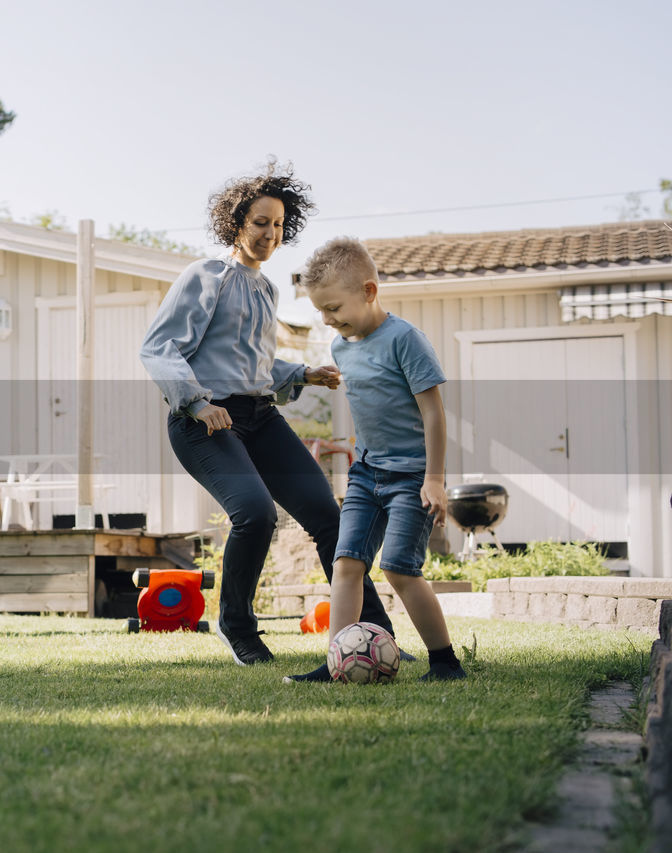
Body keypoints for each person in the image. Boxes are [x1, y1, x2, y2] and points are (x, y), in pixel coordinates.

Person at [139, 162, 400, 666]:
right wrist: (197, 402)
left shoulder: (266, 290)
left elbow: (252, 366)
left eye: (279, 225)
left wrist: (303, 374)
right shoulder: (205, 276)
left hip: (260, 417)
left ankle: (376, 633)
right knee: (255, 514)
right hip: (203, 422)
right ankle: (235, 625)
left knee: (330, 518)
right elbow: (159, 347)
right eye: (261, 222)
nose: (270, 234)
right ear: (236, 222)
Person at [289, 237, 465, 682]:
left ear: (369, 291)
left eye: (334, 308)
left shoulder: (405, 340)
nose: (328, 321)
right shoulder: (341, 348)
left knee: (400, 569)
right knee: (346, 564)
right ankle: (338, 662)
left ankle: (445, 662)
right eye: (322, 312)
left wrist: (435, 479)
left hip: (411, 477)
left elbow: (433, 412)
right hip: (366, 473)